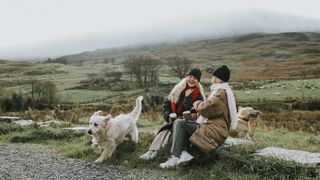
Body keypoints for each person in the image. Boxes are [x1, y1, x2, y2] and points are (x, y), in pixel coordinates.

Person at [160, 65, 238, 169]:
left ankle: (175, 157)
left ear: (218, 79)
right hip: (214, 128)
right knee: (182, 123)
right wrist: (192, 115)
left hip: (214, 131)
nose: (212, 78)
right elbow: (209, 112)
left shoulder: (221, 94)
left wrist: (197, 103)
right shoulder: (221, 91)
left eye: (214, 76)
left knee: (180, 123)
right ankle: (184, 153)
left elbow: (206, 109)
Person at [139, 68, 206, 160]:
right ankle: (151, 152)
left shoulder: (199, 96)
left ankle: (156, 152)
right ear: (186, 77)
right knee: (164, 129)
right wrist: (167, 114)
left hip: (184, 122)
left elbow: (190, 113)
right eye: (190, 76)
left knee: (168, 132)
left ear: (198, 81)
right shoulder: (178, 89)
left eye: (195, 78)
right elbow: (167, 104)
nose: (191, 79)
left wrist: (187, 98)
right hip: (172, 119)